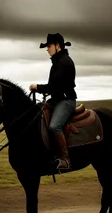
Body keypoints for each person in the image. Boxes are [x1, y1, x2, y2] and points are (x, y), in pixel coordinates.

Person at [29, 33, 77, 170]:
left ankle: (65, 159)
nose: (47, 49)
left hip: (66, 101)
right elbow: (54, 87)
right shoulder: (57, 62)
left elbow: (54, 87)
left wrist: (37, 87)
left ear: (57, 46)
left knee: (54, 126)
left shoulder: (64, 62)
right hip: (57, 100)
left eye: (49, 46)